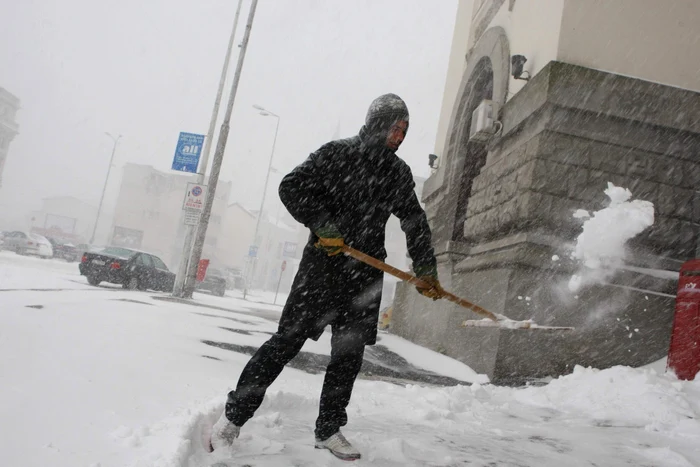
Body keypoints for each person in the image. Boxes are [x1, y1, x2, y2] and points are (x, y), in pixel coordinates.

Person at [210, 93, 444, 461]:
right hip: (321, 271)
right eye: (394, 128)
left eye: (404, 131)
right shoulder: (336, 154)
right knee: (284, 344)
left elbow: (414, 220)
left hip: (364, 275)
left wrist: (426, 267)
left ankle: (329, 429)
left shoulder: (396, 173)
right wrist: (321, 223)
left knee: (347, 358)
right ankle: (232, 419)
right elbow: (291, 186)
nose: (398, 137)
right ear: (378, 123)